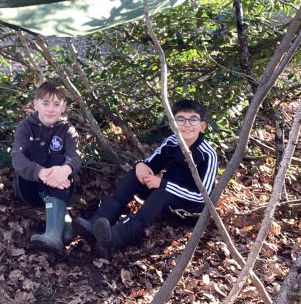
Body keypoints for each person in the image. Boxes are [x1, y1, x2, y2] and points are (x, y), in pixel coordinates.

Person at [73, 99, 217, 259]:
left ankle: (115, 238)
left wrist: (162, 184)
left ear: (202, 126)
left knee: (161, 194)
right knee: (136, 174)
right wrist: (140, 164)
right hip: (166, 197)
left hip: (189, 211)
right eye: (181, 119)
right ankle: (96, 224)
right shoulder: (172, 142)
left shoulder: (208, 154)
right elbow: (151, 164)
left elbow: (202, 197)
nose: (187, 124)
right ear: (173, 124)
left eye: (193, 120)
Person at [11, 81, 81, 256]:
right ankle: (63, 225)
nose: (51, 109)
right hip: (30, 189)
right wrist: (41, 173)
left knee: (60, 161)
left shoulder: (67, 130)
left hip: (60, 185)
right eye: (45, 103)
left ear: (63, 107)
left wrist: (66, 169)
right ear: (36, 104)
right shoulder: (26, 127)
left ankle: (53, 236)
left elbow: (75, 156)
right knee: (35, 147)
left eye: (56, 104)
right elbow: (17, 158)